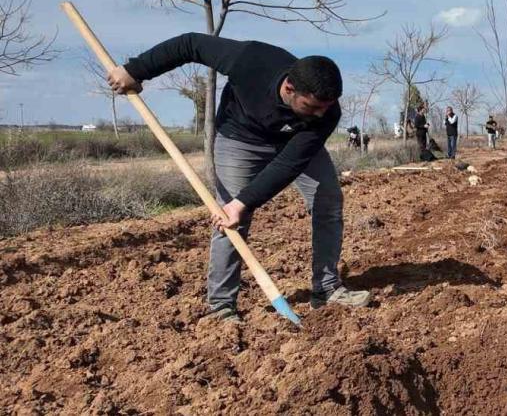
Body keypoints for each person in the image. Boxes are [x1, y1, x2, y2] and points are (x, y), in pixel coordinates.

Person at [106, 33, 370, 323]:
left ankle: (326, 289)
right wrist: (135, 70)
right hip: (240, 139)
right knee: (230, 218)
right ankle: (221, 306)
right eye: (311, 106)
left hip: (293, 142)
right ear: (289, 88)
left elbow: (289, 163)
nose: (320, 114)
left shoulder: (326, 113)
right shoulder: (251, 60)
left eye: (326, 107)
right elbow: (190, 44)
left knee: (328, 200)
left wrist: (245, 200)